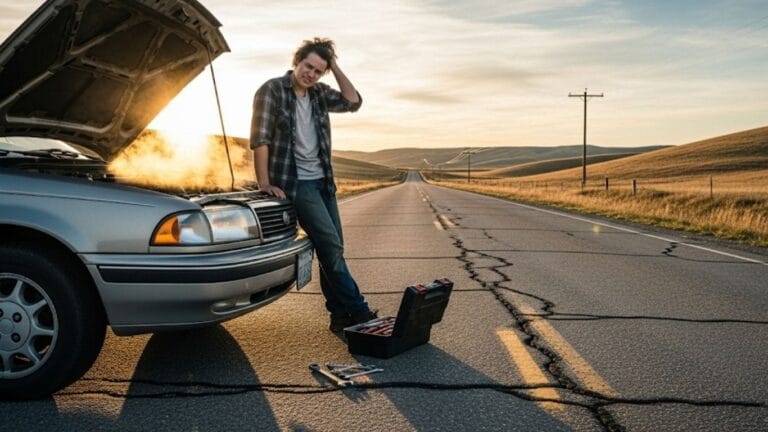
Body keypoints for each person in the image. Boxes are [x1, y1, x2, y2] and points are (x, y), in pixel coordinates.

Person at [250, 38, 376, 332]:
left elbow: (353, 102)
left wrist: (335, 66)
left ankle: (338, 316)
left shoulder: (319, 94)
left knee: (332, 249)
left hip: (323, 182)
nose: (311, 74)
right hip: (297, 183)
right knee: (330, 247)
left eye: (319, 70)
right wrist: (265, 182)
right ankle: (359, 311)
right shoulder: (272, 90)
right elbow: (260, 138)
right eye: (308, 66)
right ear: (297, 61)